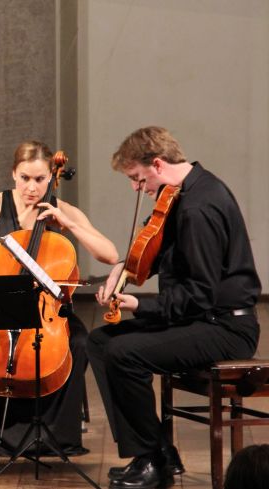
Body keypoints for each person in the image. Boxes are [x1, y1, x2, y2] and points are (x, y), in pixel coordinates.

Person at [91, 126, 261, 489]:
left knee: (123, 353)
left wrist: (140, 304)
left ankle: (152, 461)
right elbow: (157, 253)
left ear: (157, 163)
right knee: (100, 342)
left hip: (225, 328)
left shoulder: (199, 207)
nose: (138, 188)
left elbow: (198, 295)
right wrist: (122, 268)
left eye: (137, 178)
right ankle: (157, 452)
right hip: (201, 319)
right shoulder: (182, 195)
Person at [0, 140, 119, 457]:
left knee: (81, 343)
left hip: (48, 312)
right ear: (14, 174)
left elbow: (110, 254)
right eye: (25, 178)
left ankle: (56, 434)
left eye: (40, 179)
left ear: (50, 178)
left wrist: (68, 223)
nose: (32, 187)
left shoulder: (60, 210)